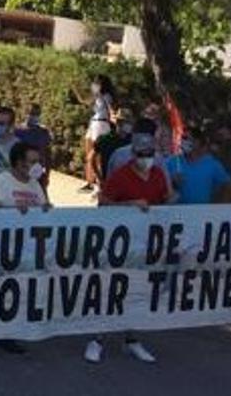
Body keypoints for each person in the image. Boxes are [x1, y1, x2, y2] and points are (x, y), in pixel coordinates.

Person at [89, 136, 173, 364]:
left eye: (150, 154)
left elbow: (165, 199)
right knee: (113, 289)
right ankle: (97, 339)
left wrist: (170, 201)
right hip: (121, 243)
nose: (146, 159)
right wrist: (128, 204)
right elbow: (103, 203)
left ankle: (131, 339)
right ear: (134, 155)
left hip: (149, 241)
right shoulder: (121, 175)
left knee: (139, 291)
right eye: (142, 155)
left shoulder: (157, 174)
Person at [0, 141, 49, 360]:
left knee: (10, 295)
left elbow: (41, 207)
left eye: (38, 161)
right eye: (32, 161)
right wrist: (10, 211)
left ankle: (3, 335)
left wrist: (46, 210)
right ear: (18, 163)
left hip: (23, 250)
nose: (37, 165)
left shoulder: (35, 184)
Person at [163, 127, 231, 204]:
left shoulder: (212, 164)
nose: (183, 142)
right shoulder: (171, 162)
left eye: (187, 138)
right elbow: (161, 190)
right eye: (181, 139)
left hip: (203, 213)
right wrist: (173, 184)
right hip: (177, 213)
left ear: (198, 142)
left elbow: (229, 186)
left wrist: (221, 208)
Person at [81, 75, 116, 192]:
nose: (94, 85)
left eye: (96, 83)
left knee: (96, 153)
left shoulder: (106, 96)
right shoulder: (97, 97)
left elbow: (111, 110)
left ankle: (98, 181)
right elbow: (86, 102)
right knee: (88, 151)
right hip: (94, 123)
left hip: (101, 124)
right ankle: (90, 180)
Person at [93, 108, 134, 185]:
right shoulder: (104, 139)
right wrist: (99, 178)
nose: (128, 125)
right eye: (125, 122)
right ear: (118, 122)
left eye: (129, 123)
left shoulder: (133, 140)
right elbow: (92, 158)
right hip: (109, 182)